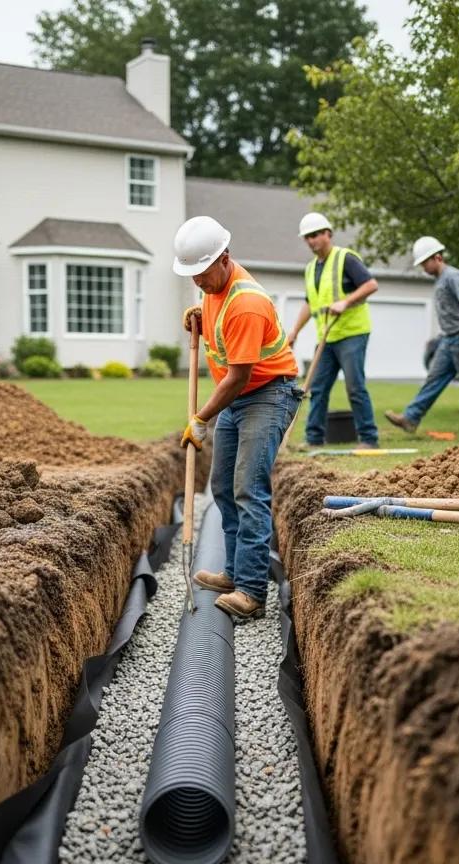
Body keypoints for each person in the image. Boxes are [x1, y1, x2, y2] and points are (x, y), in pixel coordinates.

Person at [173, 215, 303, 623]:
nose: (197, 281)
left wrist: (201, 419)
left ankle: (251, 591)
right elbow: (215, 309)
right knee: (223, 486)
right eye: (190, 275)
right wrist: (199, 312)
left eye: (201, 273)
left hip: (266, 395)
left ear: (224, 258)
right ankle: (234, 572)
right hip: (239, 397)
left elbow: (239, 375)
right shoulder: (214, 288)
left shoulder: (246, 303)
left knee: (249, 488)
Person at [285, 212, 380, 449]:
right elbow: (310, 302)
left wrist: (345, 302)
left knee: (355, 386)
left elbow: (371, 285)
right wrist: (295, 331)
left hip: (352, 333)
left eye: (315, 235)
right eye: (307, 237)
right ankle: (314, 440)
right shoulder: (310, 269)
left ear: (328, 234)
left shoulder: (345, 259)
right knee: (317, 388)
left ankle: (369, 439)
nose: (311, 241)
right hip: (326, 337)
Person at [385, 236, 459, 433]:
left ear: (437, 257)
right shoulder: (440, 280)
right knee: (433, 379)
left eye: (424, 263)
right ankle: (411, 418)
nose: (423, 268)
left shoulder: (453, 276)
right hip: (448, 339)